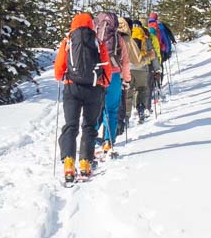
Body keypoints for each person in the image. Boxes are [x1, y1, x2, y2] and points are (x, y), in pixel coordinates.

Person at [54, 12, 111, 181]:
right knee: (89, 126)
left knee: (71, 125)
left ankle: (69, 162)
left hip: (72, 88)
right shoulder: (98, 43)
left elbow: (58, 70)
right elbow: (106, 68)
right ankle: (85, 163)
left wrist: (64, 76)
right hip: (94, 88)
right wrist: (103, 84)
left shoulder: (69, 41)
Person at [93, 12, 130, 157]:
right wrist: (126, 79)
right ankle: (108, 140)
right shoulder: (118, 38)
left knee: (95, 109)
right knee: (111, 109)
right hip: (113, 75)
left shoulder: (93, 37)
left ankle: (90, 138)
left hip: (97, 76)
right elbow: (125, 62)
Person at [122, 17, 150, 124]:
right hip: (142, 67)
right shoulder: (145, 37)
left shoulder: (126, 38)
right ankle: (141, 110)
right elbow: (151, 53)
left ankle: (126, 116)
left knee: (128, 92)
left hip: (128, 68)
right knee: (141, 89)